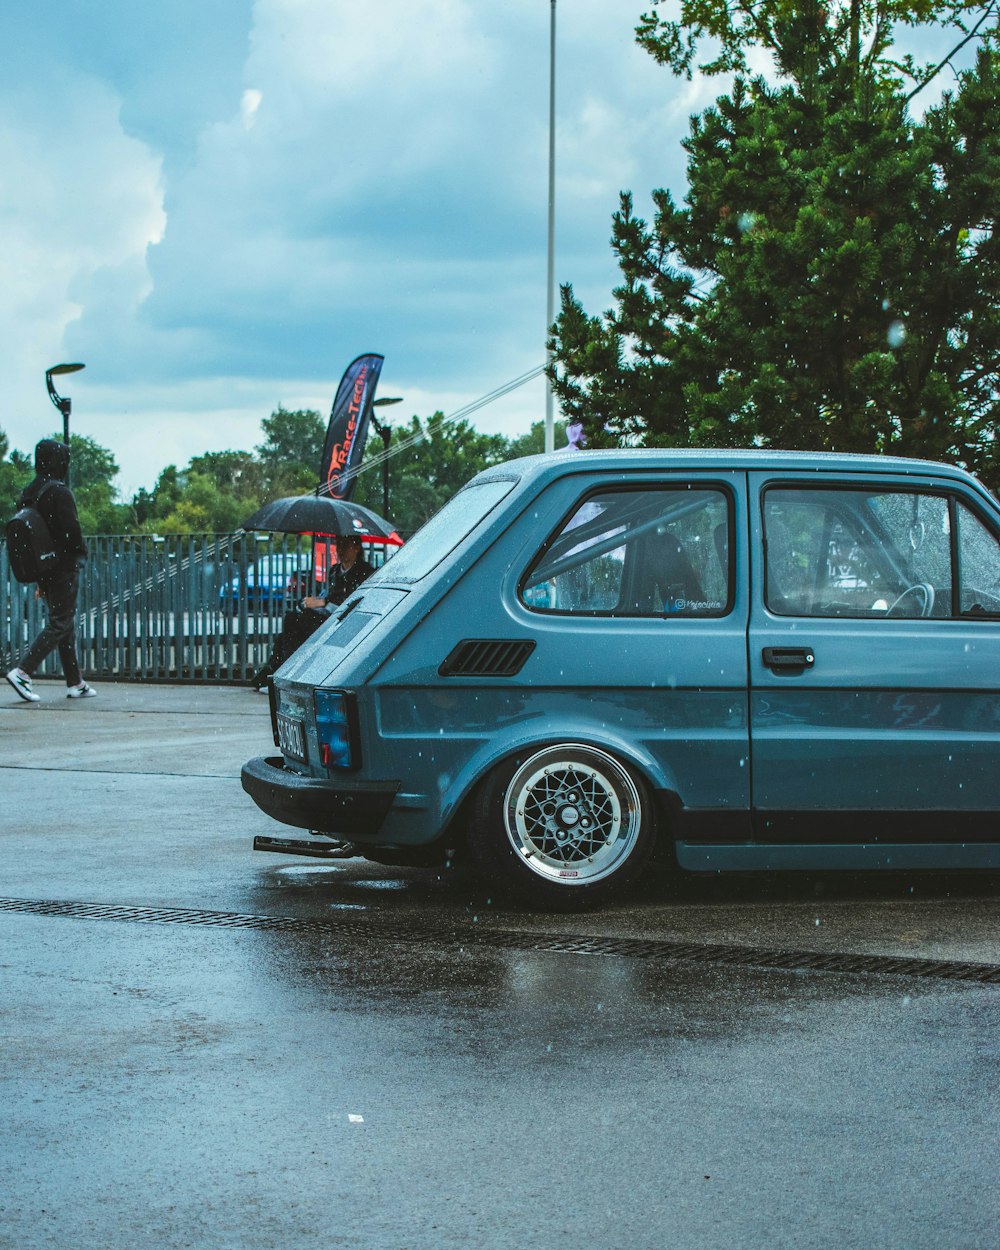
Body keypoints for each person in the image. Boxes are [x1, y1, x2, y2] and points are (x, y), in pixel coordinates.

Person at [6, 438, 94, 702]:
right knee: (61, 621)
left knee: (62, 620)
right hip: (65, 566)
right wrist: (81, 552)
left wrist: (41, 578)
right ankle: (23, 672)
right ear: (59, 461)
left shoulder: (29, 493)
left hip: (45, 565)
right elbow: (72, 532)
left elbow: (35, 537)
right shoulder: (60, 491)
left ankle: (75, 682)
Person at [250, 534, 374, 690]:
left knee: (294, 626)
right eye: (339, 545)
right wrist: (312, 602)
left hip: (342, 621)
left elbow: (354, 600)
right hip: (325, 616)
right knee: (289, 627)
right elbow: (327, 594)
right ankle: (276, 672)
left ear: (356, 548)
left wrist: (324, 603)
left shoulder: (365, 572)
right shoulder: (335, 570)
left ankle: (282, 674)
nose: (341, 550)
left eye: (346, 546)